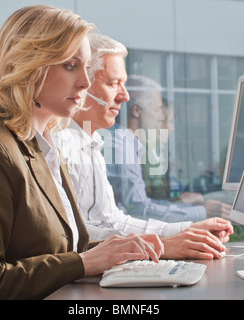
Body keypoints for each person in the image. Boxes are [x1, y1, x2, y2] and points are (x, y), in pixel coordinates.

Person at [0, 6, 164, 300]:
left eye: (85, 67)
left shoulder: (45, 148)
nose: (85, 82)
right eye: (71, 66)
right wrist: (84, 263)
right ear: (28, 66)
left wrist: (118, 252)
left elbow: (61, 252)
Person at [54, 33, 233, 260]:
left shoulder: (93, 144)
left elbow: (111, 220)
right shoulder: (62, 146)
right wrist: (165, 244)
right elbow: (76, 236)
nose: (125, 96)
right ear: (83, 85)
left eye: (124, 84)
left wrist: (187, 229)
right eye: (113, 83)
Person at [107, 74, 232, 221]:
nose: (161, 117)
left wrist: (188, 206)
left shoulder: (127, 144)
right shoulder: (119, 147)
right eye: (157, 110)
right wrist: (203, 211)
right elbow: (139, 209)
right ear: (136, 110)